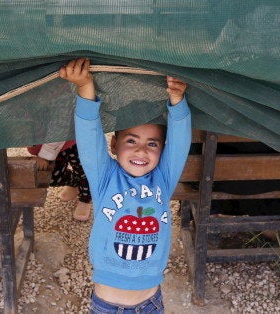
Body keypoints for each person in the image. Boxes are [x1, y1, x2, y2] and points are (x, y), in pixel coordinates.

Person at [59, 58, 191, 313]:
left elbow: (180, 142)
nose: (142, 149)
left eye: (152, 143)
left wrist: (177, 102)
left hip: (151, 303)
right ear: (113, 145)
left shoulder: (163, 179)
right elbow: (88, 136)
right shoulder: (105, 177)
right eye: (131, 141)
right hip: (106, 306)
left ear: (162, 151)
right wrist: (86, 87)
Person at [27, 141, 92, 221]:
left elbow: (58, 128)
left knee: (82, 170)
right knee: (53, 177)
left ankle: (85, 198)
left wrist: (44, 156)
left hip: (70, 138)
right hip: (47, 144)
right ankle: (75, 184)